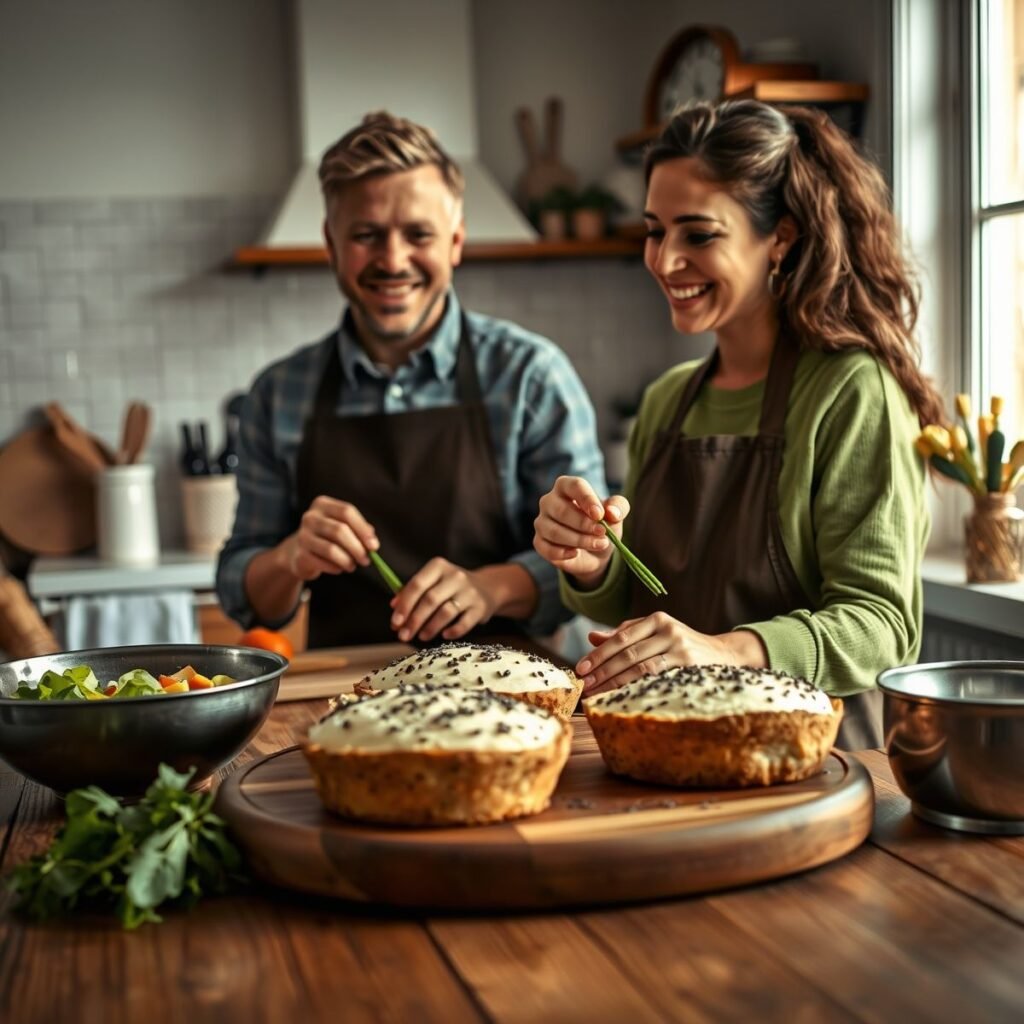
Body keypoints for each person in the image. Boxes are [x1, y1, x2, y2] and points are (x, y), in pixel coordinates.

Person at [533, 100, 942, 749]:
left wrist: (725, 650)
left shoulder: (851, 391)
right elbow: (636, 607)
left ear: (779, 237)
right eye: (654, 231)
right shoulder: (667, 401)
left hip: (808, 764)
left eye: (698, 235)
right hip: (670, 749)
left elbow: (882, 628)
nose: (665, 260)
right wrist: (596, 563)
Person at [217, 111, 605, 649]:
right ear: (331, 244)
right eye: (366, 235)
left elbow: (591, 567)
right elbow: (242, 593)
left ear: (455, 241)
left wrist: (490, 589)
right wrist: (289, 558)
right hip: (347, 693)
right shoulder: (278, 394)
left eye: (418, 234)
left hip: (510, 688)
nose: (393, 261)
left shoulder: (531, 377)